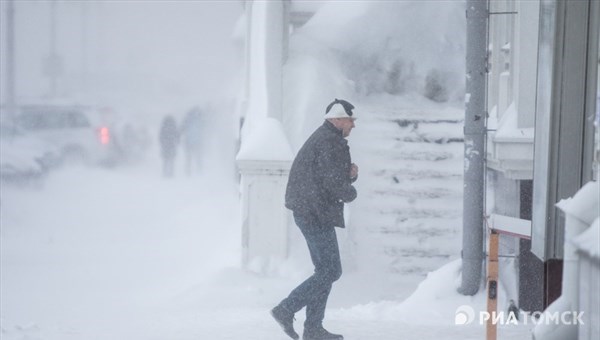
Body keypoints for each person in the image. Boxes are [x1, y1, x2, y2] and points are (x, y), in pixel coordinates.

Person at [271, 99, 359, 340]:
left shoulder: (325, 138)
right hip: (314, 212)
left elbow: (326, 176)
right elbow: (332, 183)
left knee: (325, 270)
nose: (353, 125)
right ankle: (286, 309)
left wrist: (348, 176)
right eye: (351, 120)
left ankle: (313, 329)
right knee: (331, 270)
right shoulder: (331, 142)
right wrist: (351, 190)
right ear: (338, 119)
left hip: (310, 210)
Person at [180, 107, 204, 176]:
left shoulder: (187, 120)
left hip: (188, 141)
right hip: (197, 141)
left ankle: (188, 170)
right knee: (198, 156)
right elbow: (203, 130)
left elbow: (182, 129)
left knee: (189, 157)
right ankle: (199, 170)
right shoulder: (199, 120)